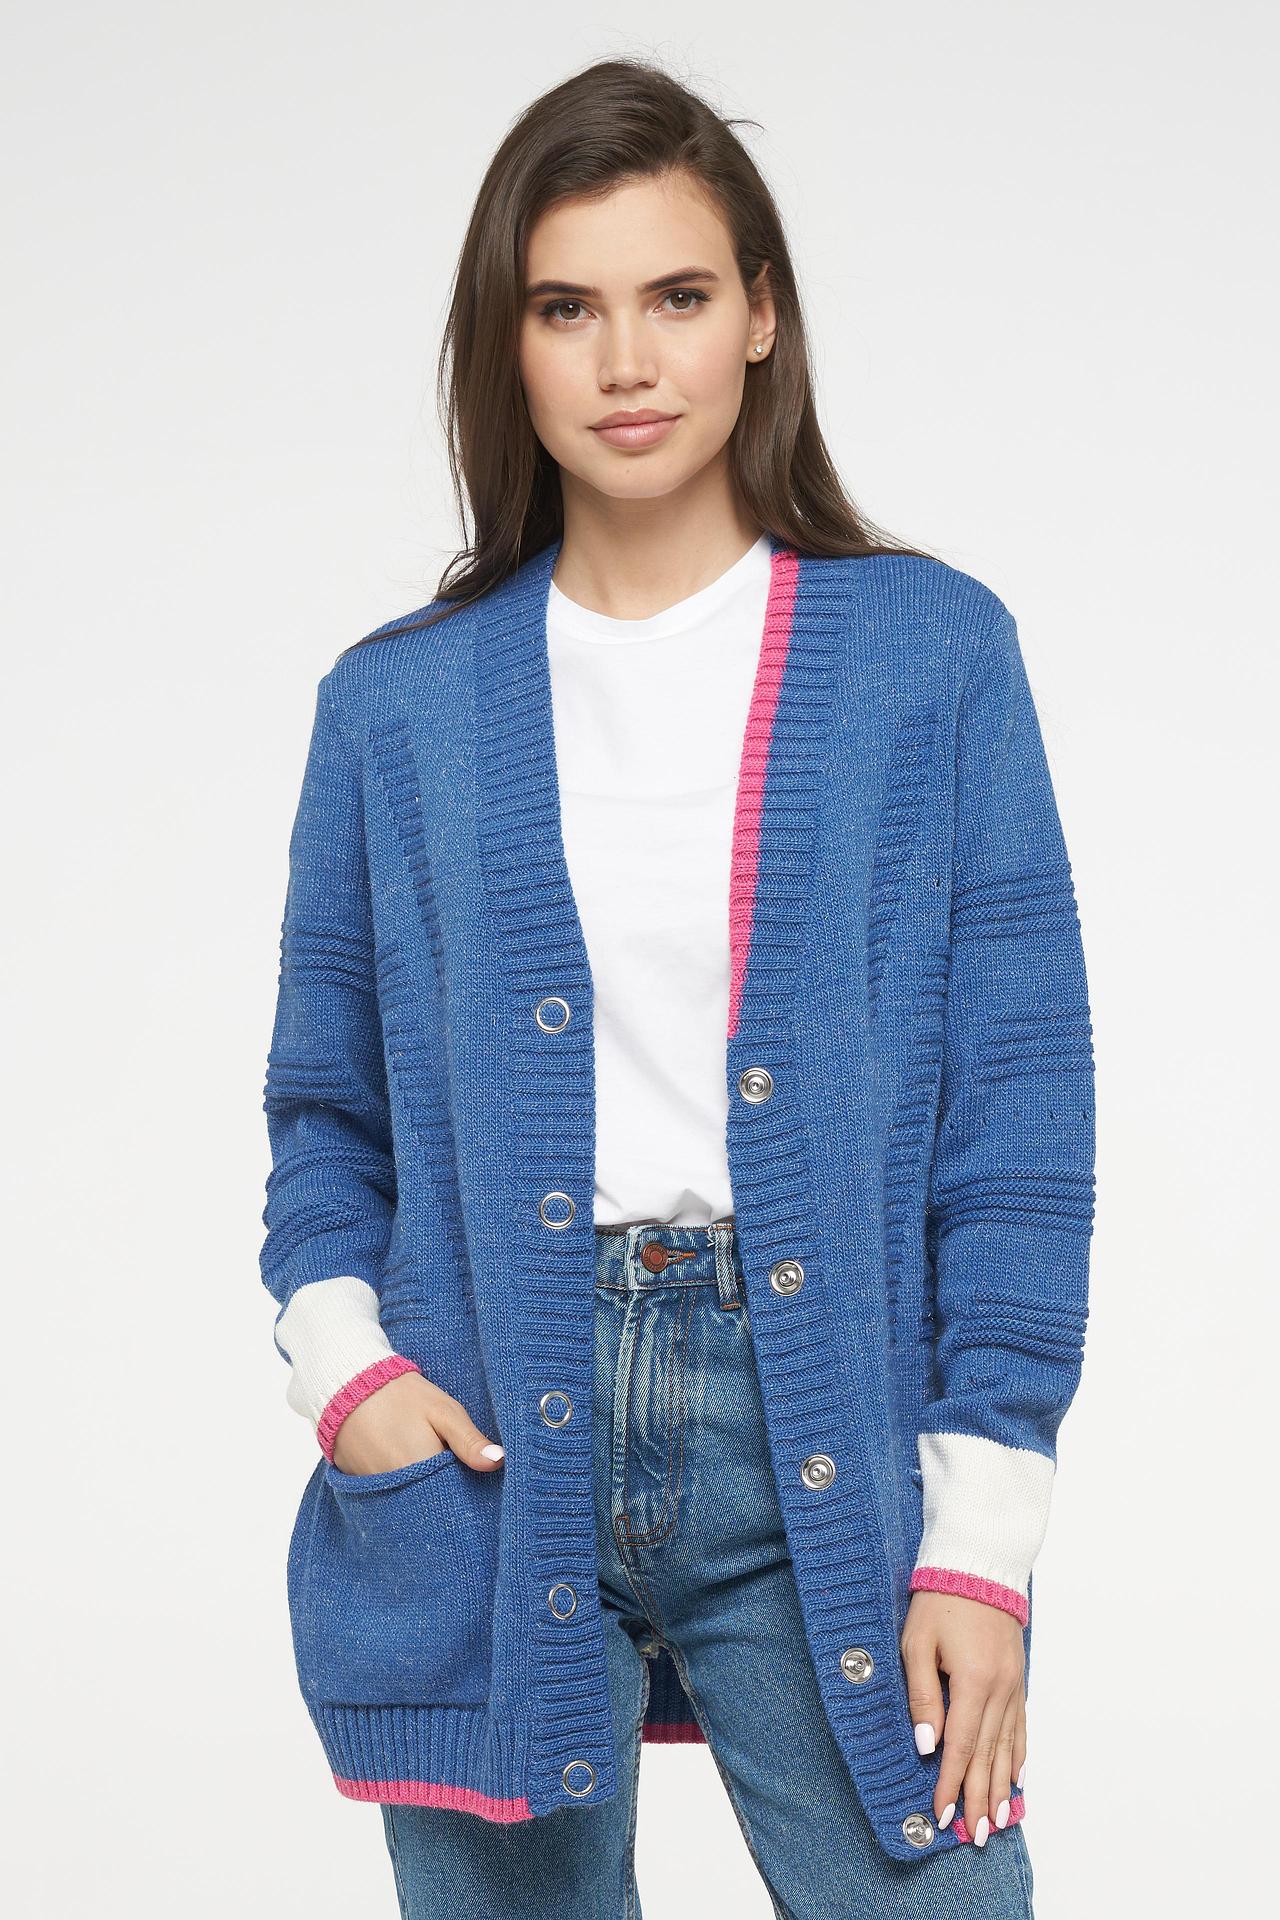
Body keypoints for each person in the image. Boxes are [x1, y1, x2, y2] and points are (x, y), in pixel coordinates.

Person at [258, 54, 1094, 1920]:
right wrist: (348, 1372)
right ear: (509, 345)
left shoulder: (932, 658)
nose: (627, 361)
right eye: (567, 307)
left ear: (762, 316)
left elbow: (1019, 1125)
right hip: (485, 1435)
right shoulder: (396, 707)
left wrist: (984, 1541)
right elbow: (325, 1111)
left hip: (814, 1417)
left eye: (679, 296)